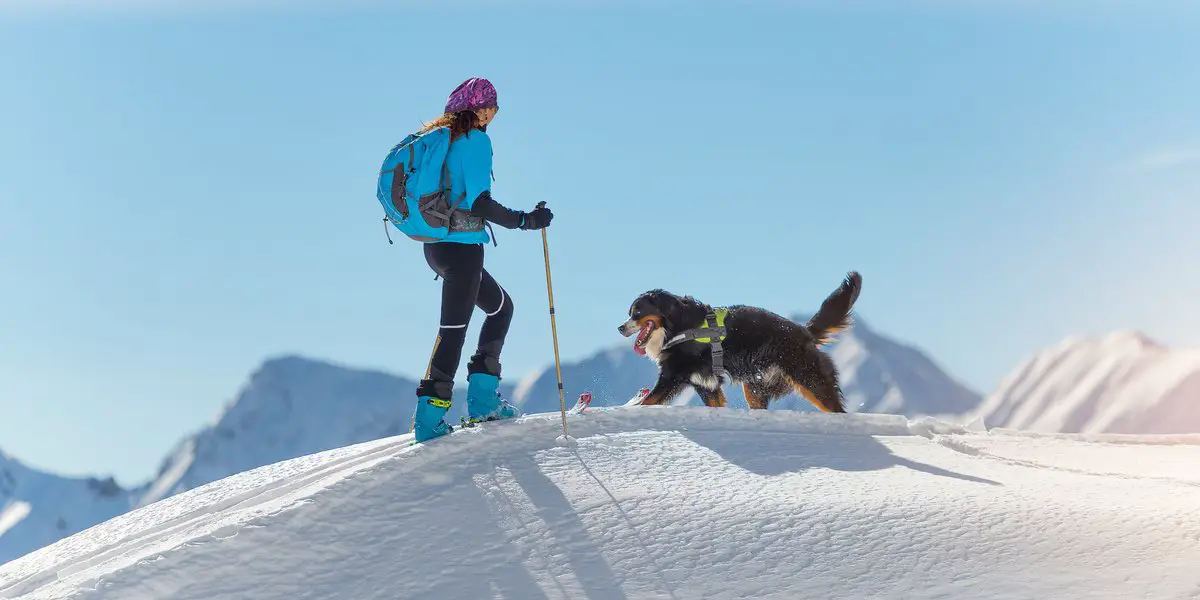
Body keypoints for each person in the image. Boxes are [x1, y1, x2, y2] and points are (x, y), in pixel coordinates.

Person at [412, 77, 554, 442]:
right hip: (461, 250)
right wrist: (525, 220)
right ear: (478, 109)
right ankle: (430, 421)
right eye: (492, 105)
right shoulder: (476, 141)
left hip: (437, 245)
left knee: (500, 308)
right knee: (453, 331)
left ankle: (483, 402)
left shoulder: (445, 142)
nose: (494, 112)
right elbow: (479, 202)